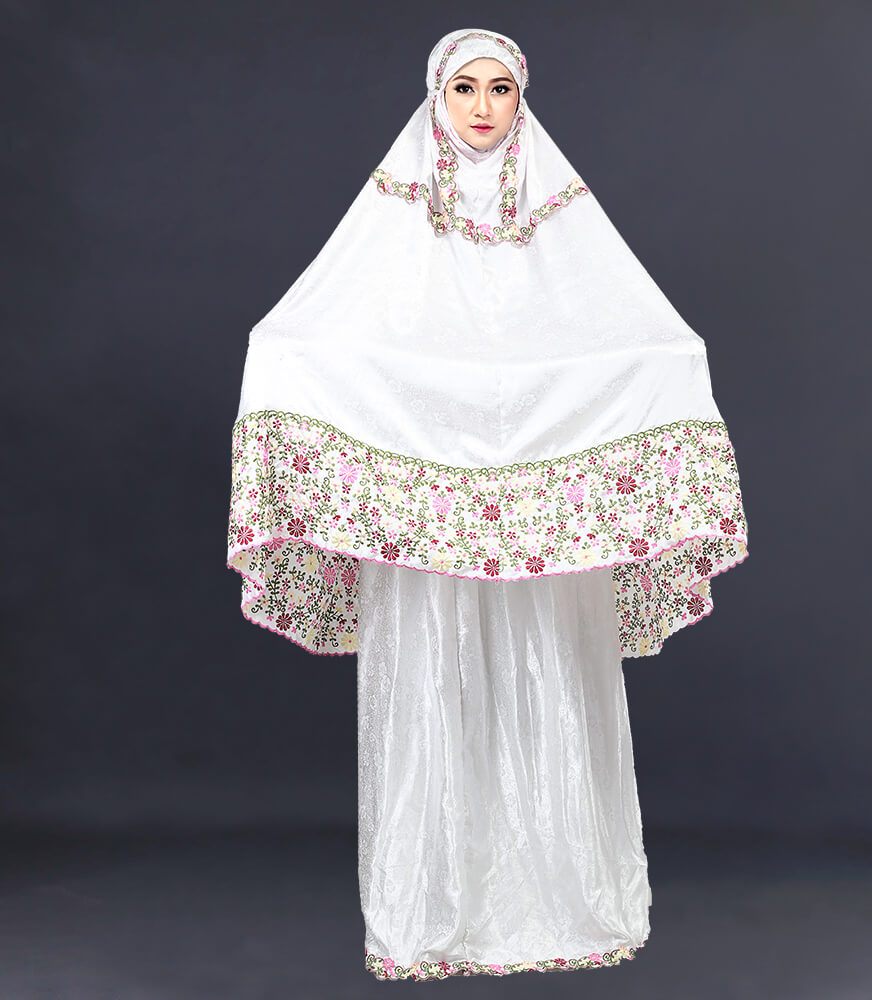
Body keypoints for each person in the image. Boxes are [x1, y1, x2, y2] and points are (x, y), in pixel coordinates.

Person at [227, 27, 749, 981]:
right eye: (463, 87)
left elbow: (635, 328)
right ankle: (426, 914)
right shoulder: (394, 213)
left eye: (499, 88)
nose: (480, 106)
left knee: (555, 667)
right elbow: (316, 326)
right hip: (424, 500)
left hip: (544, 496)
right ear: (436, 98)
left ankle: (567, 903)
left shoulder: (560, 214)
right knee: (427, 675)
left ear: (521, 99)